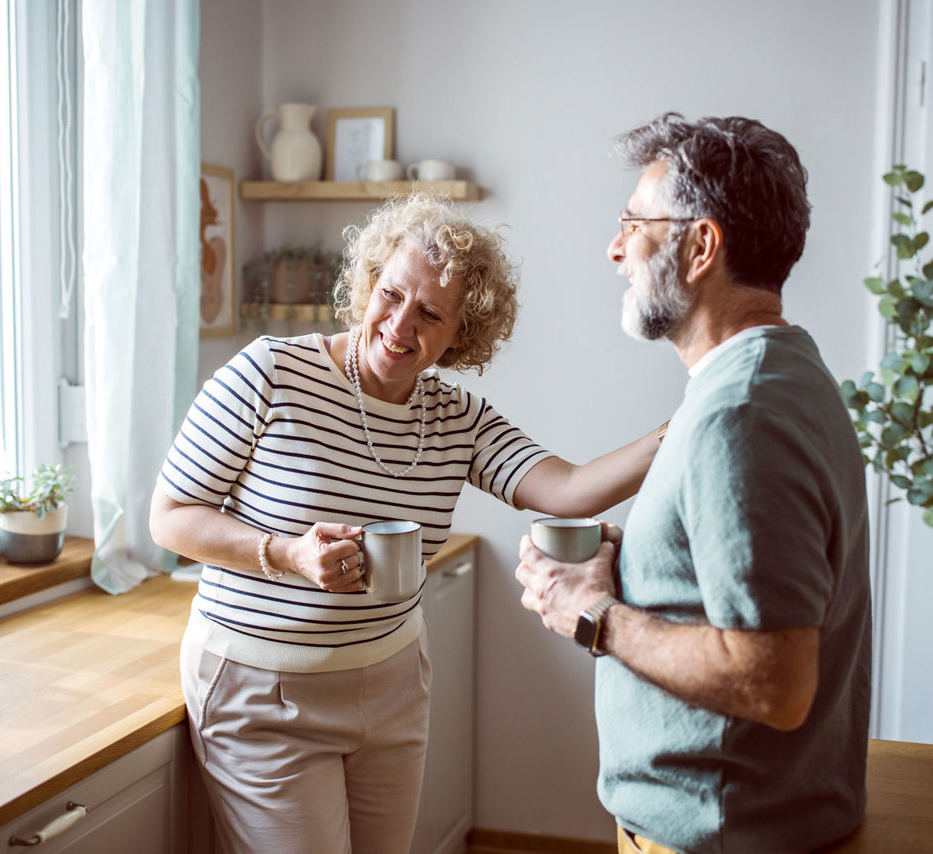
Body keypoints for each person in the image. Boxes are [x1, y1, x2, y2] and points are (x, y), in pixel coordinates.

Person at [149, 193, 665, 854]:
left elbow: (565, 489)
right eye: (390, 295)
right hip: (265, 691)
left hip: (391, 683)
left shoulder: (456, 417)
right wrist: (285, 554)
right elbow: (168, 517)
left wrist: (675, 435)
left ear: (461, 335)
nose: (398, 325)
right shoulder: (269, 373)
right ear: (367, 284)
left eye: (429, 314)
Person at [514, 114, 871, 854]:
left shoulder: (739, 414)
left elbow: (773, 681)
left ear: (702, 246)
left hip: (717, 835)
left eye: (632, 224)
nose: (615, 250)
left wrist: (592, 613)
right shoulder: (783, 374)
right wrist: (635, 559)